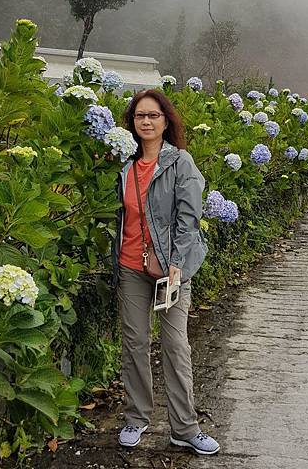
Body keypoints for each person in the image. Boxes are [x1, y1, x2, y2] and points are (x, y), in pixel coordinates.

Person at [112, 89, 220, 456]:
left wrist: (176, 263)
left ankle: (185, 428)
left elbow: (188, 219)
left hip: (170, 271)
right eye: (140, 116)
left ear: (165, 121)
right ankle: (136, 418)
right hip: (131, 268)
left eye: (153, 116)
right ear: (133, 122)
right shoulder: (126, 167)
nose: (146, 122)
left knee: (175, 345)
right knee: (135, 343)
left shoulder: (181, 163)